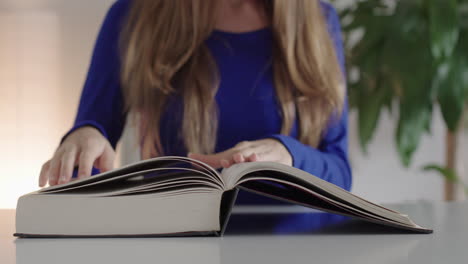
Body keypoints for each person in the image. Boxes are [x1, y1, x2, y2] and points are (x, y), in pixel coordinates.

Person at [38, 0, 352, 205]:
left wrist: (289, 154)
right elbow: (95, 132)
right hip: (174, 241)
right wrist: (85, 137)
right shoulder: (135, 13)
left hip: (293, 248)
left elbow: (340, 172)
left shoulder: (319, 20)